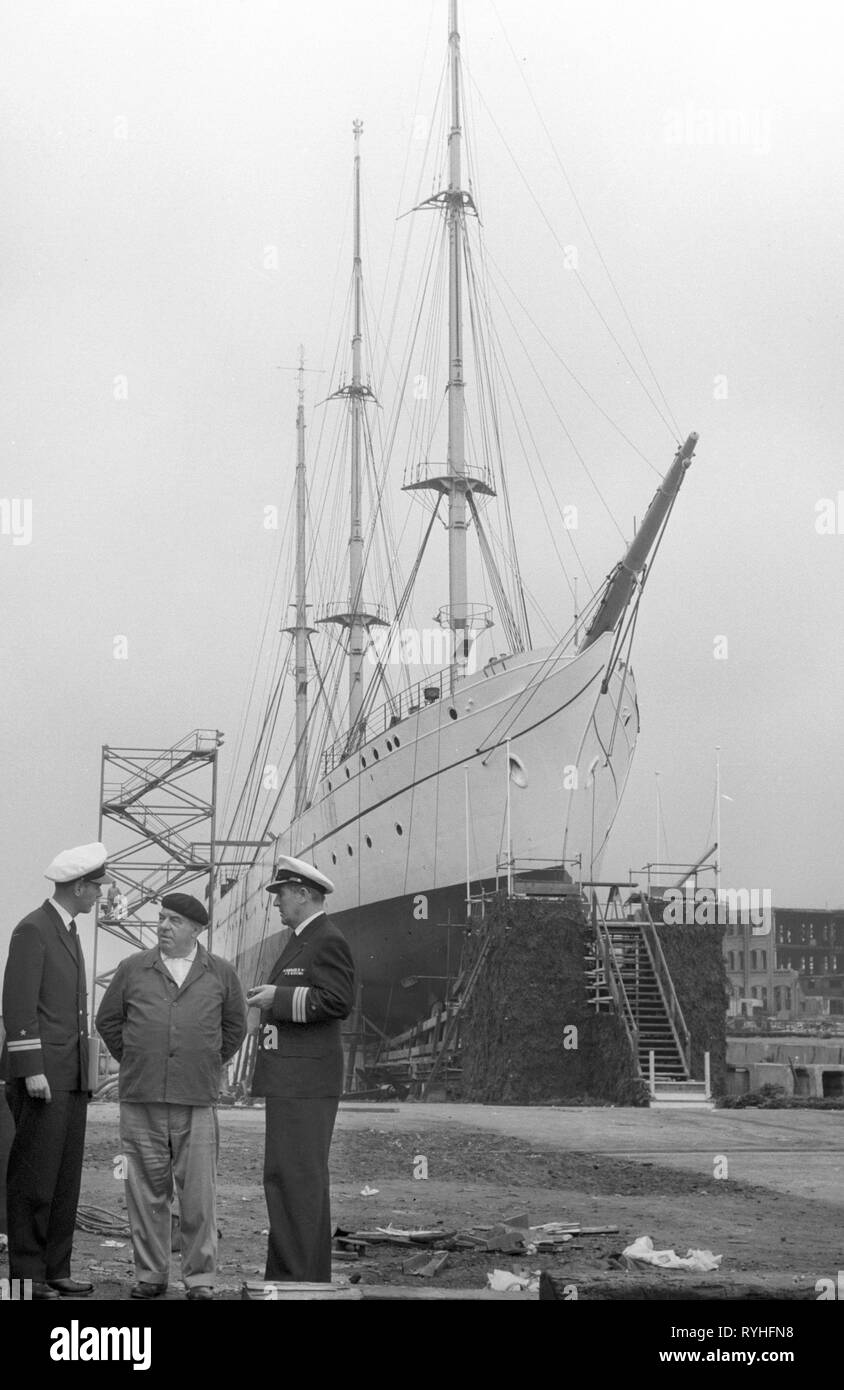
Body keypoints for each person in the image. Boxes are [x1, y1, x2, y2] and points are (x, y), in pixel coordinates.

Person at [96, 892, 246, 1300]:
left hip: (196, 1100)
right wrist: (137, 1060)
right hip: (141, 1098)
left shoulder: (220, 973)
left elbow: (235, 1028)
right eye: (161, 918)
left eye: (174, 921)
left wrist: (205, 1064)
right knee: (145, 1192)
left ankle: (199, 1280)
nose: (163, 926)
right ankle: (150, 1275)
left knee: (198, 1195)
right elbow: (107, 1020)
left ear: (196, 930)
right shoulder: (132, 969)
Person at [1, 841, 110, 1300]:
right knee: (33, 1181)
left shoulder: (65, 930)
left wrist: (84, 1076)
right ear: (80, 886)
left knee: (64, 1180)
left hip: (69, 1079)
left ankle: (55, 1269)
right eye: (97, 888)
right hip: (43, 1078)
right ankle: (25, 1281)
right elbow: (18, 1004)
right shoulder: (34, 929)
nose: (100, 896)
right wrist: (31, 1068)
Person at [247, 855, 355, 1283]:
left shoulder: (326, 940)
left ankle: (297, 1278)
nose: (276, 903)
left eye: (282, 894)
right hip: (292, 1080)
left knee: (297, 1180)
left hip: (305, 1083)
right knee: (289, 1179)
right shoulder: (300, 940)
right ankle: (296, 1275)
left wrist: (279, 998)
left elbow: (337, 1002)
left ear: (305, 895)